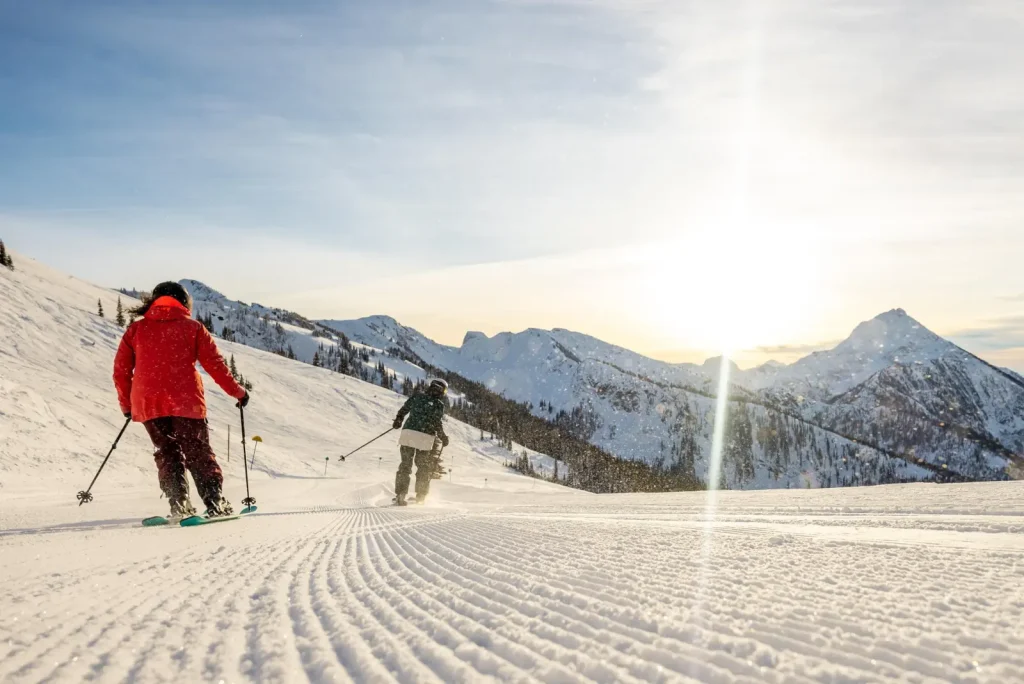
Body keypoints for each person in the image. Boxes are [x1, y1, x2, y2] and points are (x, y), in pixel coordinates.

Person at [113, 282, 249, 519]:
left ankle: (178, 503)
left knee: (166, 452)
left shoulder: (136, 330)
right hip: (185, 401)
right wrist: (238, 392)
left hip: (149, 403)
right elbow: (215, 366)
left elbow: (121, 371)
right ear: (184, 302)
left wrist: (127, 405)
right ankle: (214, 502)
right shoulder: (192, 328)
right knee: (197, 451)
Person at [392, 378, 449, 505]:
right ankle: (421, 496)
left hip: (409, 434)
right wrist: (443, 437)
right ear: (442, 390)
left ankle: (401, 494)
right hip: (425, 437)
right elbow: (436, 423)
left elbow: (404, 409)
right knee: (423, 466)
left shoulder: (418, 396)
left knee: (405, 465)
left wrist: (398, 420)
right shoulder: (439, 404)